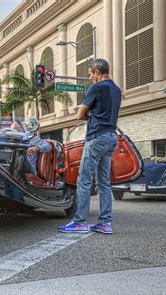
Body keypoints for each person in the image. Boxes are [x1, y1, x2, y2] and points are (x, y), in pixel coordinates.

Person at [58, 58, 121, 234]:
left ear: (97, 72)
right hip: (111, 137)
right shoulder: (116, 89)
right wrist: (93, 112)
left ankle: (79, 222)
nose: (91, 78)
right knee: (104, 183)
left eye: (91, 74)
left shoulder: (97, 87)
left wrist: (89, 113)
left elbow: (79, 114)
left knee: (84, 181)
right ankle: (105, 223)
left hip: (96, 138)